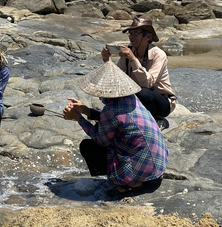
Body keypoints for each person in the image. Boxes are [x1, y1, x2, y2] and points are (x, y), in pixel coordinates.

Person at [63, 61, 168, 194]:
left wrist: (78, 118)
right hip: (157, 164)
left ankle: (132, 183)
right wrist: (87, 111)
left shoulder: (111, 110)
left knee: (88, 147)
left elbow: (101, 140)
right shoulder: (132, 98)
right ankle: (138, 178)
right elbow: (115, 120)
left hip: (142, 169)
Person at [101, 17, 176, 123]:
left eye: (136, 33)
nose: (132, 37)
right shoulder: (128, 53)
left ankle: (155, 120)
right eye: (130, 33)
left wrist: (133, 59)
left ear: (148, 37)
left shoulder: (158, 54)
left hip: (161, 101)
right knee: (109, 92)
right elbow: (115, 78)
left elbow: (148, 83)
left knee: (142, 93)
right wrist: (106, 60)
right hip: (136, 96)